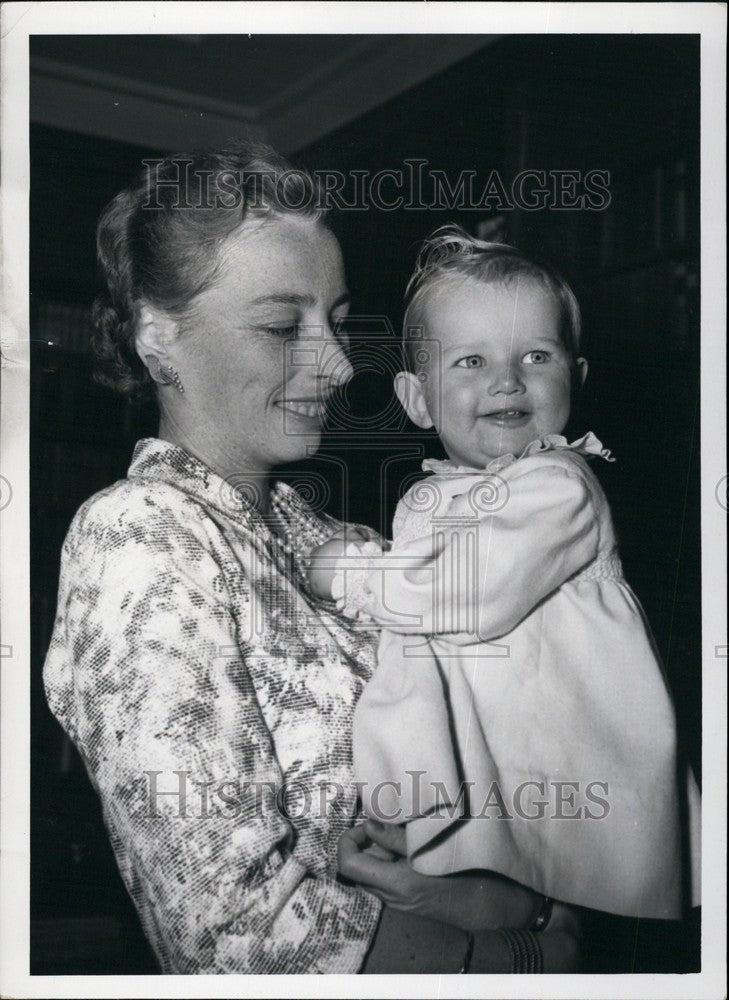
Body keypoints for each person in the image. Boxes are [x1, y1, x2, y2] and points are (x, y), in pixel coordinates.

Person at [43, 145, 582, 975]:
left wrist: (537, 897)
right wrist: (516, 955)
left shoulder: (333, 538)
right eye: (280, 324)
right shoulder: (140, 536)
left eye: (334, 317)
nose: (334, 361)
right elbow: (235, 934)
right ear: (159, 335)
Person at [308, 225, 701, 921]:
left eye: (536, 355)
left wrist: (355, 575)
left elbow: (465, 596)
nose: (506, 380)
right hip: (492, 788)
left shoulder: (558, 484)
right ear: (417, 398)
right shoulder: (430, 499)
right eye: (469, 361)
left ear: (574, 380)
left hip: (571, 795)